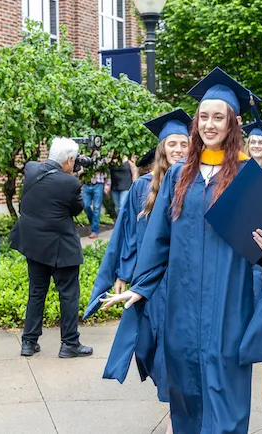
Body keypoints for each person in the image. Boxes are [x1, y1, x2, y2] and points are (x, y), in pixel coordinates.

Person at [100, 67, 262, 434]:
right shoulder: (178, 176)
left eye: (218, 117)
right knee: (185, 389)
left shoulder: (248, 179)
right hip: (182, 306)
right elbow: (158, 241)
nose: (209, 124)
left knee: (225, 392)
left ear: (233, 122)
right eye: (203, 116)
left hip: (228, 305)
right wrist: (140, 287)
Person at [85, 109, 191, 434]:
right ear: (161, 148)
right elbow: (128, 235)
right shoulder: (142, 188)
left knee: (181, 352)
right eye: (172, 143)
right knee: (157, 351)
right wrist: (122, 273)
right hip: (153, 285)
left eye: (184, 143)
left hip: (187, 283)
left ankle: (180, 419)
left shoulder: (199, 184)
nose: (178, 149)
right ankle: (178, 413)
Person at [10, 137, 93, 358]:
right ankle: (69, 345)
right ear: (69, 160)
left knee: (36, 292)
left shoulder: (31, 169)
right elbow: (77, 209)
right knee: (68, 295)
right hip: (60, 248)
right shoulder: (70, 183)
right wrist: (74, 177)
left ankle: (28, 342)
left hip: (33, 244)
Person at [83, 152, 111, 239]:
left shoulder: (102, 157)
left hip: (98, 184)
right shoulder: (84, 155)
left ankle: (94, 231)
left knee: (97, 207)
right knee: (85, 205)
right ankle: (94, 224)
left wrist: (108, 185)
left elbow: (107, 171)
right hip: (87, 184)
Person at [109, 152, 138, 216]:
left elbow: (135, 172)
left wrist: (135, 185)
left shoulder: (129, 160)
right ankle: (120, 223)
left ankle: (123, 224)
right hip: (115, 187)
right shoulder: (110, 161)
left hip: (126, 186)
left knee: (122, 206)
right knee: (117, 208)